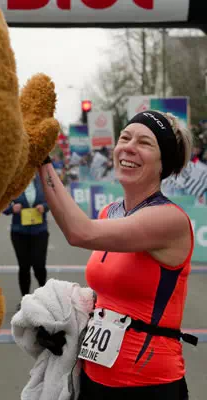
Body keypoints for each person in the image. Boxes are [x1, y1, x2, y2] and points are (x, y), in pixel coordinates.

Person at [38, 110, 197, 400]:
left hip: (148, 384)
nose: (128, 147)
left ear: (164, 164)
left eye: (145, 143)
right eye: (125, 137)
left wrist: (41, 158)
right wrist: (68, 324)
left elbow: (79, 232)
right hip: (94, 376)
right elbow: (107, 298)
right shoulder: (109, 212)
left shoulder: (169, 219)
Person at [3, 173, 50, 310]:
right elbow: (2, 206)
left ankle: (44, 299)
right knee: (24, 267)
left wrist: (44, 207)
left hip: (40, 231)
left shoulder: (42, 181)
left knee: (39, 265)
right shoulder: (14, 181)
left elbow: (51, 201)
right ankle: (25, 300)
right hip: (19, 232)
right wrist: (12, 209)